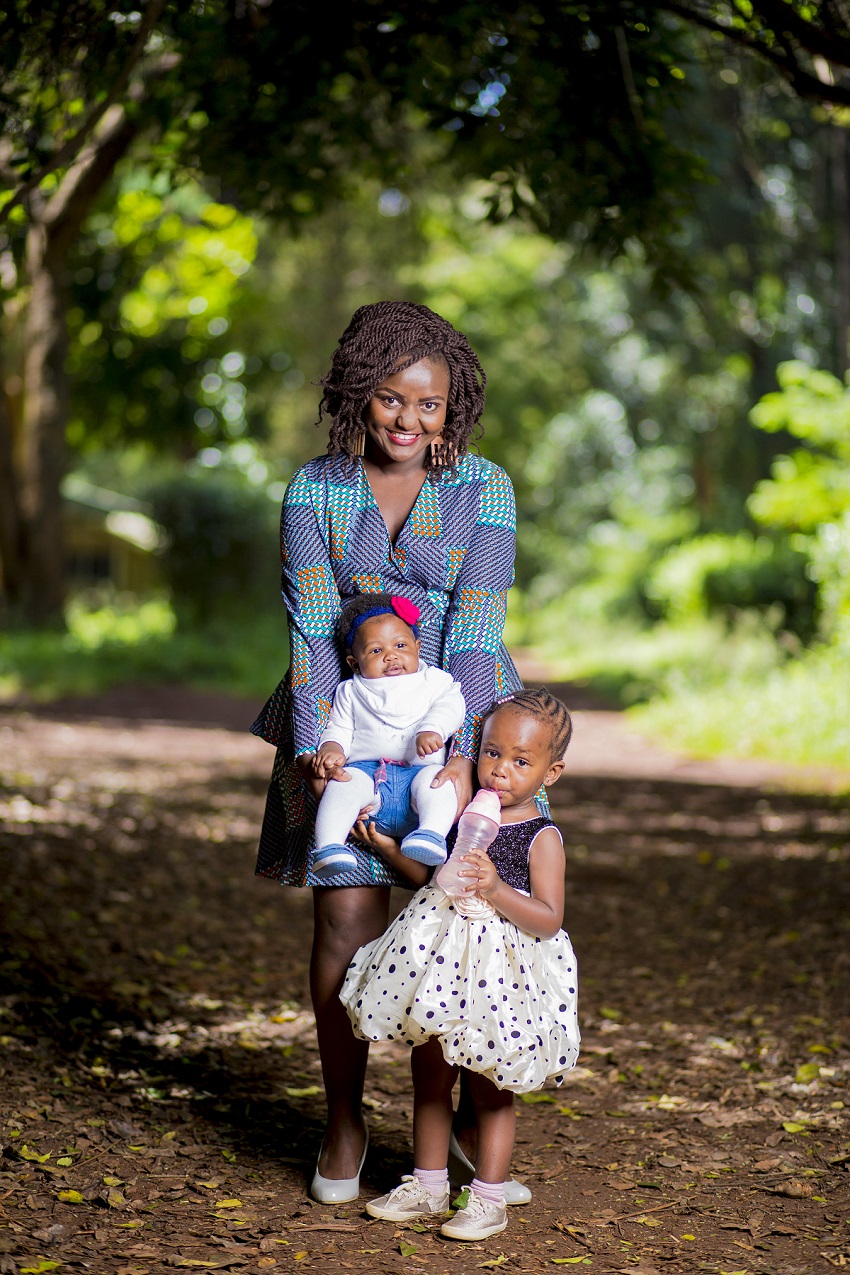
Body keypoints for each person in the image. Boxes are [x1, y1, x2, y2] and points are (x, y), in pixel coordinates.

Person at [251, 300, 533, 1203]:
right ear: (357, 395)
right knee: (345, 919)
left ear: (454, 410)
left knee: (455, 928)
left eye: (431, 406)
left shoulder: (484, 487)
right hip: (341, 726)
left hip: (451, 732)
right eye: (390, 400)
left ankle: (431, 1137)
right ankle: (342, 1117)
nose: (409, 422)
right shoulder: (315, 489)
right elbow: (308, 632)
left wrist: (464, 756)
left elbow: (481, 629)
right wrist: (317, 750)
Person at [341, 688, 580, 1242]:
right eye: (493, 753)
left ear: (552, 772)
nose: (501, 771)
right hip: (439, 963)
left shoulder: (540, 837)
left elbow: (548, 919)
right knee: (429, 1070)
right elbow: (434, 877)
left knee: (491, 1082)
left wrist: (496, 888)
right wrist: (386, 847)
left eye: (522, 761)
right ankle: (427, 1184)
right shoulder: (465, 815)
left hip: (503, 972)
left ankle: (488, 1197)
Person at [310, 592, 464, 879]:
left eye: (401, 645)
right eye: (376, 651)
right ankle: (329, 846)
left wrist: (433, 728)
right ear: (355, 664)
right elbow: (339, 727)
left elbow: (453, 706)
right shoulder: (351, 691)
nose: (391, 655)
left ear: (418, 648)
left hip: (418, 778)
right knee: (343, 784)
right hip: (368, 781)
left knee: (439, 784)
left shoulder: (434, 681)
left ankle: (430, 834)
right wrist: (332, 748)